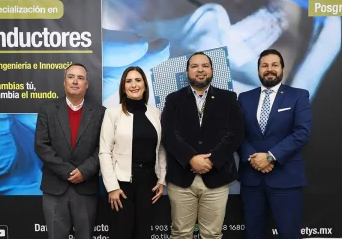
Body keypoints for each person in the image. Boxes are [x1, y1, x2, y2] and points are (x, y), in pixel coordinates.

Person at [161, 52, 245, 239]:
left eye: (205, 66)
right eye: (195, 66)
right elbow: (168, 135)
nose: (200, 70)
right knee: (181, 233)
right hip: (182, 178)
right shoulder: (173, 99)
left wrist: (212, 160)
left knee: (212, 235)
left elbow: (236, 133)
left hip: (216, 177)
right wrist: (191, 158)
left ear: (212, 70)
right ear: (187, 71)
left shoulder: (228, 98)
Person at [237, 49, 312, 239]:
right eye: (264, 65)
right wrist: (253, 158)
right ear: (258, 70)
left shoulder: (298, 96)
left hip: (286, 179)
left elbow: (302, 132)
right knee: (254, 234)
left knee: (289, 234)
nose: (269, 69)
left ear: (283, 69)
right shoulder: (244, 98)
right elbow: (237, 133)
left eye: (274, 65)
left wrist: (270, 156)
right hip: (252, 180)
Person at [34, 63, 106, 239]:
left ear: (87, 84)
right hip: (55, 188)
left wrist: (84, 171)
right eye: (71, 77)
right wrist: (67, 171)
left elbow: (103, 148)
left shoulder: (100, 112)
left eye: (80, 78)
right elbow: (41, 145)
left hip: (86, 188)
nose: (75, 81)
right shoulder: (47, 110)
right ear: (64, 82)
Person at [99, 66, 167, 239]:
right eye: (128, 81)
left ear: (144, 84)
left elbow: (160, 149)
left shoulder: (155, 112)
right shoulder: (112, 113)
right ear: (123, 87)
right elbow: (105, 152)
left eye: (138, 80)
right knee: (122, 233)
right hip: (121, 185)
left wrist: (161, 179)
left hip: (148, 183)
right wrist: (112, 187)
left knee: (143, 233)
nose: (134, 85)